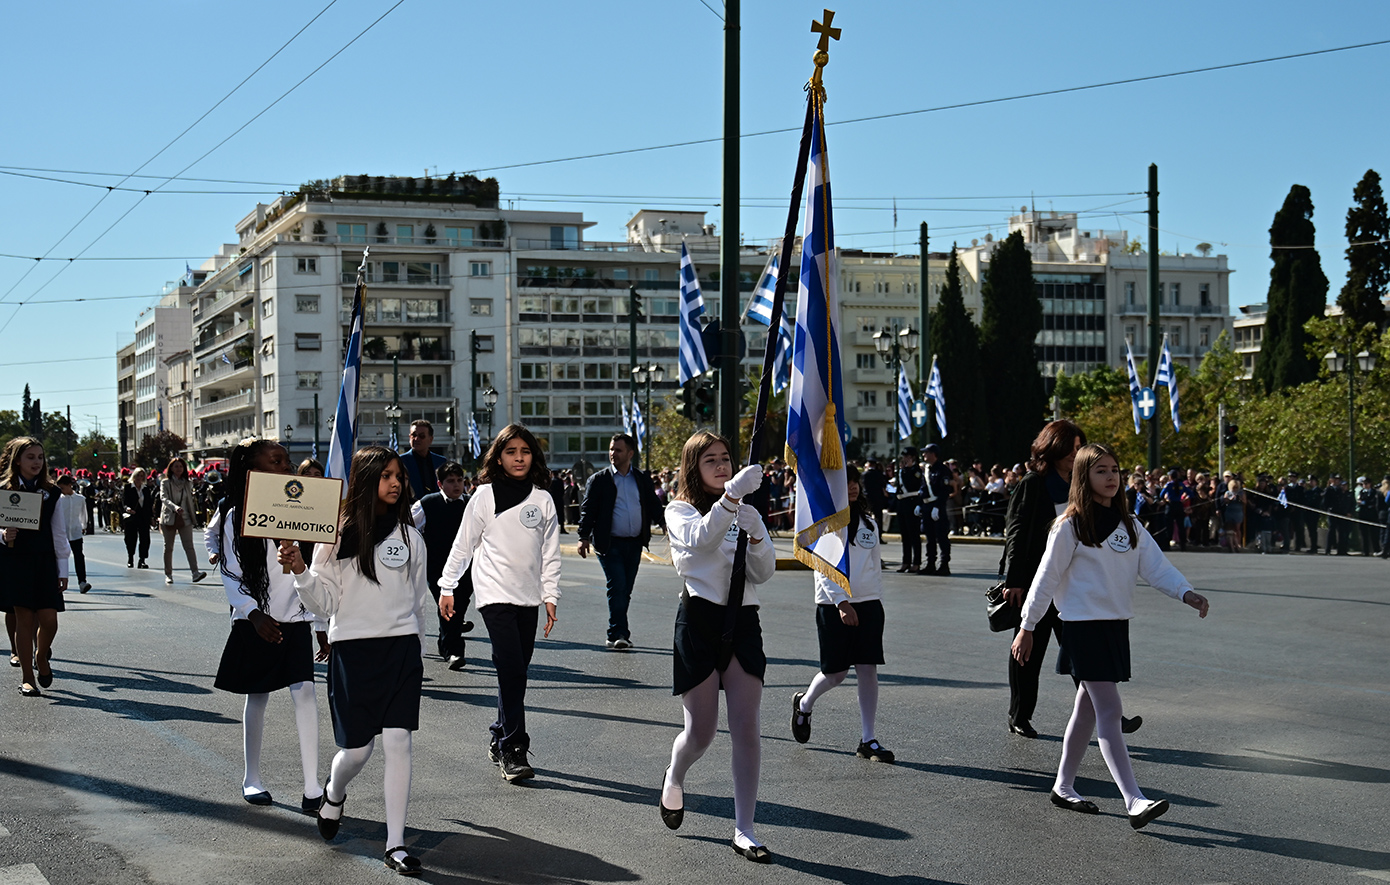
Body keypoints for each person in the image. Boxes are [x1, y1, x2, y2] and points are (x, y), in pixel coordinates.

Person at [1012, 443, 1209, 829]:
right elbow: (1045, 579)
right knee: (1108, 710)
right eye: (1101, 470)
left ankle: (1063, 786)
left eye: (1115, 470)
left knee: (1085, 710)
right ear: (1084, 477)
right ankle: (1134, 799)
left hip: (1116, 626)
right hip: (1082, 629)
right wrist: (1027, 626)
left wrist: (1186, 592)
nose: (1111, 477)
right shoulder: (1068, 526)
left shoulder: (1130, 525)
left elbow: (1157, 568)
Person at [280, 446, 432, 877]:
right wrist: (300, 570)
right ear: (367, 479)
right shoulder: (336, 536)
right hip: (354, 652)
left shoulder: (411, 537)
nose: (395, 482)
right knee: (357, 751)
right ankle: (334, 791)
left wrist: (418, 649)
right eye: (386, 475)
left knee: (398, 740)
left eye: (398, 475)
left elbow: (418, 600)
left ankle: (396, 843)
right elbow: (325, 601)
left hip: (401, 651)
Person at [658, 432, 775, 864]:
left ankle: (744, 828)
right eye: (711, 460)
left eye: (726, 458)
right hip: (700, 622)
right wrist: (730, 499)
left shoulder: (742, 507)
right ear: (694, 466)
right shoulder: (679, 510)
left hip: (743, 622)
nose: (722, 465)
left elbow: (763, 574)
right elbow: (702, 541)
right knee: (701, 733)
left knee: (747, 729)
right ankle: (676, 772)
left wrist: (758, 534)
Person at [208, 439, 328, 814]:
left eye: (287, 461)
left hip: (295, 617)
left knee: (305, 692)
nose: (285, 467)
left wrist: (319, 619)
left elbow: (322, 566)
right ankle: (252, 777)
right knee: (257, 696)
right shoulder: (232, 512)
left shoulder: (305, 506)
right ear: (252, 469)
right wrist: (252, 612)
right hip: (255, 619)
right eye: (276, 461)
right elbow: (231, 571)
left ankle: (312, 787)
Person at [437, 425, 561, 784]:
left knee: (516, 669)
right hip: (494, 595)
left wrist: (550, 596)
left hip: (528, 597)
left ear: (533, 457)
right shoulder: (484, 496)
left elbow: (550, 554)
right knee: (511, 668)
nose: (518, 457)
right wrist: (448, 585)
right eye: (511, 451)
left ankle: (498, 732)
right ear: (498, 457)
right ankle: (513, 747)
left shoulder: (544, 500)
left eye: (525, 451)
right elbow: (463, 545)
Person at [790, 464, 893, 762]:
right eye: (846, 482)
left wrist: (874, 601)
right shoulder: (827, 524)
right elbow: (823, 568)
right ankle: (805, 703)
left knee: (868, 670)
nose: (852, 487)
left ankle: (868, 739)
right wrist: (841, 603)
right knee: (835, 673)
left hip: (869, 603)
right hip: (835, 605)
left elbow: (875, 565)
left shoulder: (869, 524)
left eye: (855, 482)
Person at [1000, 420, 1093, 739]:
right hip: (1037, 582)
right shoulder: (1033, 483)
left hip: (1073, 583)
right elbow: (1016, 531)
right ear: (1053, 446)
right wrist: (1014, 579)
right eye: (1071, 447)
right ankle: (1019, 715)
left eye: (1080, 447)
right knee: (1028, 652)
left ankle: (1106, 711)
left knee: (1083, 650)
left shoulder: (1081, 484)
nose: (1075, 453)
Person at [577, 434, 664, 650]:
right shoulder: (600, 480)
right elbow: (588, 510)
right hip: (609, 543)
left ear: (630, 453)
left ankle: (619, 630)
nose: (613, 454)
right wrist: (583, 537)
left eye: (618, 450)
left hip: (634, 542)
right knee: (617, 586)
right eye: (611, 449)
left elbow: (653, 503)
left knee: (626, 590)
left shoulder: (641, 478)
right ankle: (617, 633)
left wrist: (664, 522)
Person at [0, 438, 70, 697]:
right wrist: (3, 534)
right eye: (30, 457)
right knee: (24, 621)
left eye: (40, 457)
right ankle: (28, 677)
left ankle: (42, 656)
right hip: (15, 562)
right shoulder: (3, 489)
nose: (37, 462)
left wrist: (63, 569)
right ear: (17, 460)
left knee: (49, 620)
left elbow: (59, 534)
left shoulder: (52, 493)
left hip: (44, 562)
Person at [410, 461, 474, 669]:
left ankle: (446, 640)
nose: (456, 485)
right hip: (437, 567)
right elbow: (409, 528)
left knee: (460, 604)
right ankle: (454, 651)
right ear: (440, 484)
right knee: (449, 605)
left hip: (466, 567)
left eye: (459, 481)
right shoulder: (427, 504)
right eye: (451, 481)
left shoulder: (471, 504)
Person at [159, 458, 208, 585]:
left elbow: (189, 500)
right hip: (169, 517)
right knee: (168, 547)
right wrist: (174, 508)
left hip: (185, 517)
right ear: (171, 468)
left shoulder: (187, 483)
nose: (179, 469)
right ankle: (168, 574)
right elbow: (163, 498)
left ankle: (195, 572)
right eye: (176, 466)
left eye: (181, 466)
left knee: (189, 546)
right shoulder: (165, 483)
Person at [920, 444, 953, 577]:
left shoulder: (942, 470)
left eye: (926, 453)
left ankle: (944, 564)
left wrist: (937, 507)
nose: (924, 455)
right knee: (930, 537)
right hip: (927, 506)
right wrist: (919, 504)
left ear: (933, 454)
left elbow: (945, 491)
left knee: (941, 536)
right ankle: (930, 563)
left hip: (937, 507)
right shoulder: (927, 470)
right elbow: (923, 488)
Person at [55, 474, 92, 594]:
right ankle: (57, 581)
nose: (61, 490)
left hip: (75, 532)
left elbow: (83, 513)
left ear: (69, 485)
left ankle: (82, 582)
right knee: (59, 558)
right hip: (61, 533)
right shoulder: (59, 499)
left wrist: (84, 526)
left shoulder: (80, 499)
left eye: (62, 487)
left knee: (79, 556)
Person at [894, 448, 924, 573]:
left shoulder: (916, 471)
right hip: (902, 503)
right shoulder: (903, 470)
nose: (905, 458)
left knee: (914, 535)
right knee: (905, 535)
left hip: (912, 502)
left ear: (913, 457)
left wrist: (918, 504)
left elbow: (914, 485)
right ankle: (906, 561)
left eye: (907, 456)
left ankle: (916, 562)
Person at [400, 419, 446, 500]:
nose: (416, 439)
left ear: (430, 439)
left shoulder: (441, 462)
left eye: (422, 436)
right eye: (413, 435)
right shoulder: (401, 461)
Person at [122, 467, 156, 568]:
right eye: (137, 475)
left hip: (143, 516)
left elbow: (149, 504)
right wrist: (127, 509)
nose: (139, 478)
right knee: (131, 538)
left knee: (145, 539)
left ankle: (142, 559)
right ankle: (130, 558)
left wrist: (152, 517)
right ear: (134, 476)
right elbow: (124, 502)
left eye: (141, 476)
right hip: (132, 516)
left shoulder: (145, 489)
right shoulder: (128, 487)